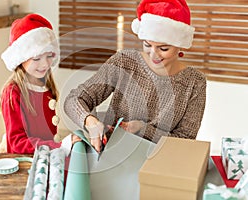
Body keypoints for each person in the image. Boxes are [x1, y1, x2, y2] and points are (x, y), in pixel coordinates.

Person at [64, 0, 206, 152]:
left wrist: (142, 128)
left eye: (163, 48)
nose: (153, 54)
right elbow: (74, 99)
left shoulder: (195, 82)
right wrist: (90, 122)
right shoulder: (125, 62)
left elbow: (185, 141)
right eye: (147, 45)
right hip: (113, 154)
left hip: (160, 162)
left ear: (180, 45)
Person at [0, 13, 79, 154]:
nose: (45, 64)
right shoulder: (13, 93)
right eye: (37, 58)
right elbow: (17, 143)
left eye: (49, 56)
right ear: (20, 59)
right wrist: (60, 146)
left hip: (44, 155)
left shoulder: (44, 83)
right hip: (26, 161)